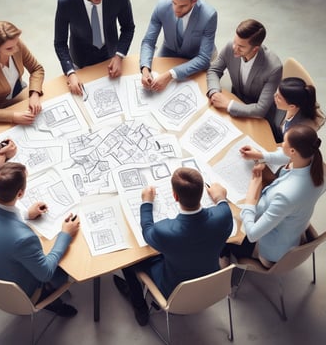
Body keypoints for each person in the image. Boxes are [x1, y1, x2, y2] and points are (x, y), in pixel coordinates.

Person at [113, 167, 233, 326]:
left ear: (175, 196)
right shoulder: (223, 216)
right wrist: (219, 197)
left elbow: (147, 229)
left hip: (173, 290)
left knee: (129, 260)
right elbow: (222, 201)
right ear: (202, 193)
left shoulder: (165, 231)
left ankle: (139, 305)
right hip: (212, 283)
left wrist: (146, 202)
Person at [0, 162, 80, 317]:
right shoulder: (23, 239)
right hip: (18, 294)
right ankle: (51, 300)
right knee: (64, 268)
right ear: (20, 194)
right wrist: (65, 235)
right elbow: (45, 273)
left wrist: (26, 214)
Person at [221, 125, 325, 268]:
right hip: (291, 231)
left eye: (284, 143)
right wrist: (261, 156)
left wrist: (252, 193)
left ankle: (224, 257)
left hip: (270, 250)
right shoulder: (316, 164)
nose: (281, 145)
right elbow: (287, 156)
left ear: (293, 151)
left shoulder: (286, 196)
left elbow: (252, 234)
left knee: (222, 228)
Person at [54, 0, 135, 96]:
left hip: (111, 55)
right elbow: (60, 43)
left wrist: (119, 55)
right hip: (80, 60)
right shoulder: (66, 2)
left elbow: (128, 27)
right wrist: (70, 73)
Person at [206, 19, 283, 140]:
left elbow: (261, 109)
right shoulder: (230, 47)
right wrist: (214, 92)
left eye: (241, 47)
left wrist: (228, 104)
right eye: (235, 42)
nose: (235, 49)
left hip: (258, 117)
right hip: (237, 100)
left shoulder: (274, 68)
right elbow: (214, 70)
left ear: (255, 49)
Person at [140, 0, 217, 92]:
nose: (176, 9)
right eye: (174, 3)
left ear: (194, 2)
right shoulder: (161, 5)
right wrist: (145, 69)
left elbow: (203, 58)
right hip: (169, 50)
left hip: (197, 56)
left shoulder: (209, 15)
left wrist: (170, 74)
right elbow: (148, 42)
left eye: (182, 6)